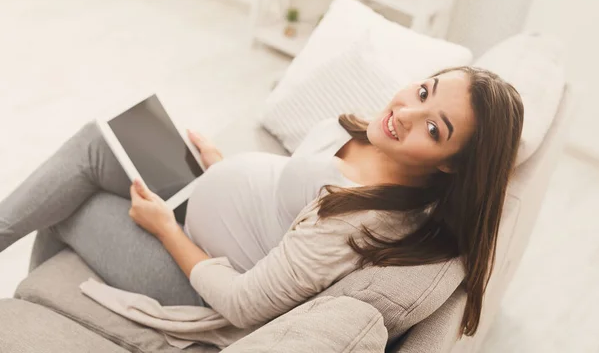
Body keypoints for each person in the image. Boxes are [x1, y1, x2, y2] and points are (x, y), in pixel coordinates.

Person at [0, 66, 523, 337]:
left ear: (452, 162)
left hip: (198, 281)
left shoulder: (364, 220)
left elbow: (246, 305)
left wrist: (166, 230)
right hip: (195, 196)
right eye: (425, 90)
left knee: (72, 205)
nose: (408, 111)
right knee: (97, 141)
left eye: (433, 128)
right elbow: (285, 197)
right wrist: (221, 164)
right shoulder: (375, 137)